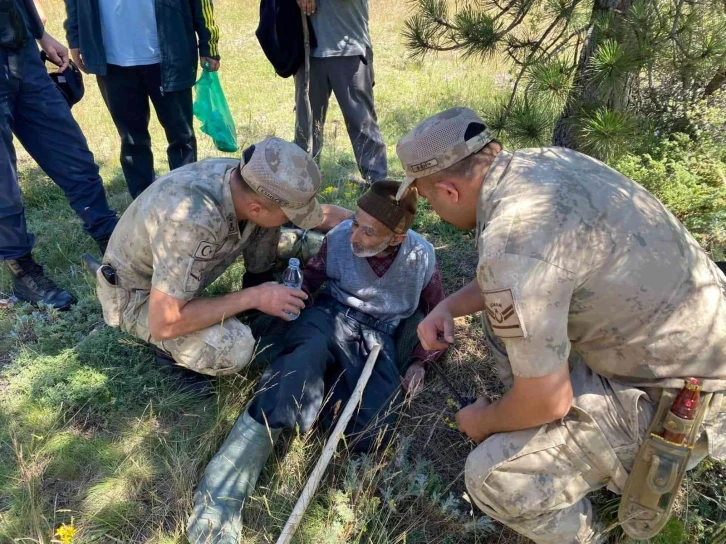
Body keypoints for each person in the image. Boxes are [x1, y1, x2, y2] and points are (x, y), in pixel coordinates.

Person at [394, 107, 726, 544]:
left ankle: (592, 531)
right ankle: (561, 441)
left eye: (427, 198)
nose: (432, 211)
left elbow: (547, 399)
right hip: (692, 338)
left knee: (493, 476)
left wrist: (486, 421)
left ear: (450, 191)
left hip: (688, 399)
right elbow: (525, 276)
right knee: (502, 321)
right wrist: (449, 307)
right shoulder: (544, 164)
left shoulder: (513, 241)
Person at [187, 181, 446, 543]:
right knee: (293, 374)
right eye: (356, 222)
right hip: (329, 315)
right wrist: (296, 298)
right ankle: (220, 496)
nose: (354, 235)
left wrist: (420, 361)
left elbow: (439, 312)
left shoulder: (422, 256)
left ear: (397, 238)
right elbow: (312, 278)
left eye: (368, 231)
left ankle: (324, 399)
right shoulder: (341, 237)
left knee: (371, 429)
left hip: (378, 337)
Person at [96, 137, 325, 384]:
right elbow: (164, 322)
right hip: (141, 296)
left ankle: (258, 278)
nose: (291, 220)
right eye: (289, 216)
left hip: (183, 263)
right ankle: (169, 354)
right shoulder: (189, 224)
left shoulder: (248, 179)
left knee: (281, 231)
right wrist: (256, 297)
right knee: (234, 349)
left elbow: (266, 217)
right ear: (256, 208)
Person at [1, 0, 118, 310]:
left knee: (72, 155)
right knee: (3, 182)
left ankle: (111, 239)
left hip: (21, 51)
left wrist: (41, 35)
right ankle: (22, 270)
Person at [64, 0, 221, 199]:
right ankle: (142, 200)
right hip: (112, 59)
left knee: (181, 135)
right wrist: (75, 37)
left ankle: (186, 197)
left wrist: (208, 43)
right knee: (131, 139)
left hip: (170, 54)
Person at [294, 0, 386, 185]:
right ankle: (303, 184)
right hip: (306, 48)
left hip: (349, 47)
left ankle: (379, 188)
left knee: (361, 122)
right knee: (306, 125)